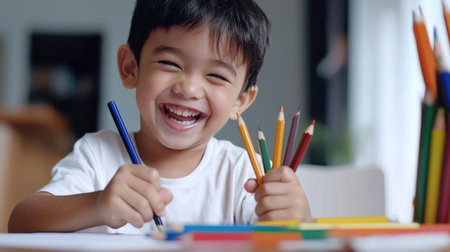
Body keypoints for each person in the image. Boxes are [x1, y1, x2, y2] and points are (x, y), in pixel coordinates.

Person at [8, 0, 313, 234]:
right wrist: (97, 204)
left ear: (241, 101)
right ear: (130, 68)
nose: (189, 88)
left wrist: (301, 221)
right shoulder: (97, 155)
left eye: (216, 76)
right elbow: (21, 221)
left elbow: (292, 239)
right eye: (170, 63)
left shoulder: (244, 175)